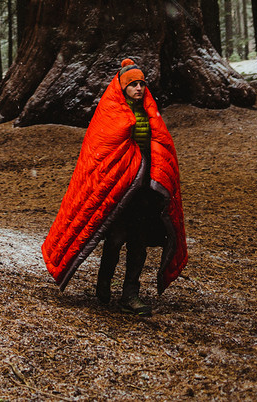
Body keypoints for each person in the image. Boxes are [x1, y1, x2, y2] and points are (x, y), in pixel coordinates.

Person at [41, 58, 187, 316]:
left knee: (138, 245)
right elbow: (102, 148)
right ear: (122, 87)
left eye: (142, 84)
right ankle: (104, 280)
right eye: (133, 85)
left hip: (145, 193)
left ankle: (130, 294)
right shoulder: (111, 113)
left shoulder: (149, 113)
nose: (139, 89)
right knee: (115, 239)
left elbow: (161, 144)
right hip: (120, 190)